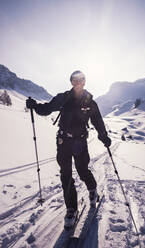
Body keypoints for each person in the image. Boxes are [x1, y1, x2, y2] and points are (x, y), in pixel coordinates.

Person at [26, 70, 111, 228]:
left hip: (79, 142)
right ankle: (71, 208)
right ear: (71, 82)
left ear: (84, 82)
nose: (77, 83)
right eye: (74, 80)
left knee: (82, 170)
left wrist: (103, 136)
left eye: (80, 80)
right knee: (65, 174)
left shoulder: (90, 101)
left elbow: (97, 120)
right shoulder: (63, 97)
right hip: (63, 141)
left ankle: (92, 189)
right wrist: (34, 106)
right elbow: (47, 109)